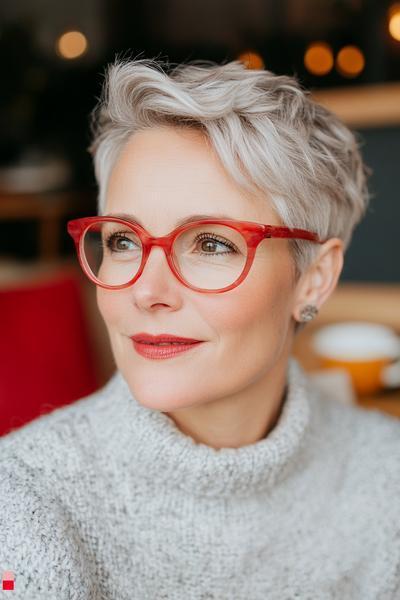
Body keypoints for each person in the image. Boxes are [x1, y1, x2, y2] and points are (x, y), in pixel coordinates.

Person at [1, 57, 399, 600]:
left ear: (314, 279)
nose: (146, 291)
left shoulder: (388, 477)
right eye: (123, 241)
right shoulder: (23, 501)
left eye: (212, 243)